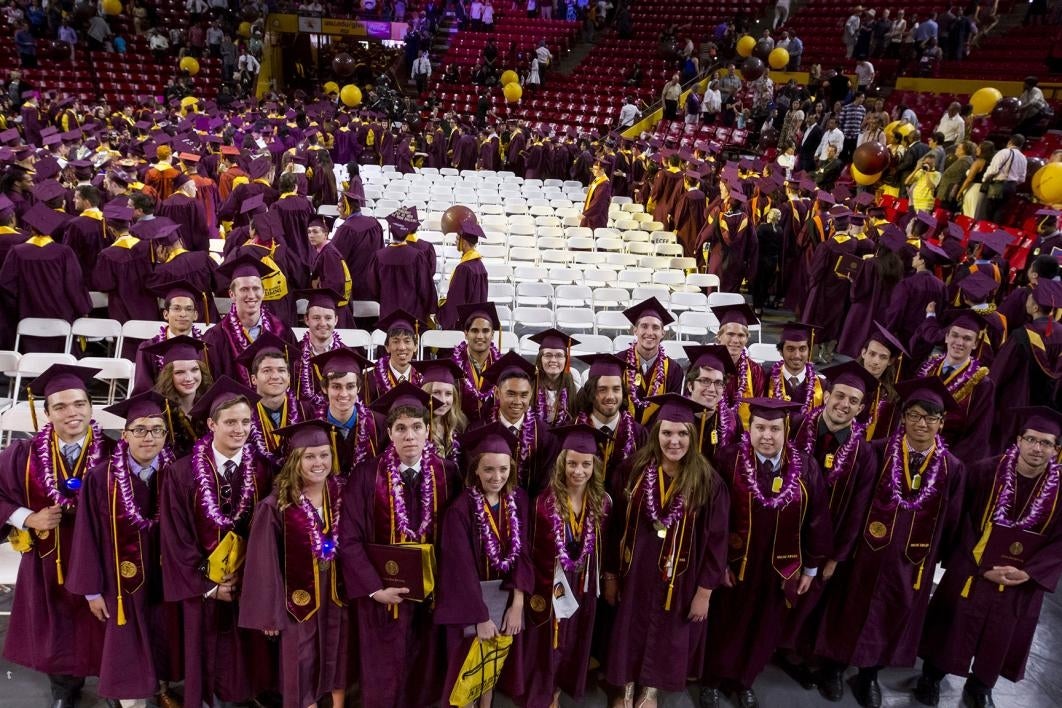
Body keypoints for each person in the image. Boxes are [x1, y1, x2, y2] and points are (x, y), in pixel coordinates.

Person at [814, 378, 966, 707]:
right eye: (914, 415)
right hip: (866, 554)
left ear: (941, 423)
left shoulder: (953, 468)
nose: (921, 424)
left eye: (929, 418)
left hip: (911, 562)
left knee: (893, 617)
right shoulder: (877, 451)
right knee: (849, 610)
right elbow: (856, 503)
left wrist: (936, 562)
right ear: (903, 418)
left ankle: (868, 676)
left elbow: (951, 519)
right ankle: (834, 668)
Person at [915, 407, 1062, 708]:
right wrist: (981, 564)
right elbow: (960, 520)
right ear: (1018, 440)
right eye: (1031, 439)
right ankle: (931, 676)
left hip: (1020, 581)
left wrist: (1030, 573)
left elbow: (1059, 542)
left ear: (1056, 450)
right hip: (973, 570)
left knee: (1002, 632)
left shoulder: (1060, 491)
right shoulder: (984, 471)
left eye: (1046, 443)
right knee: (953, 622)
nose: (1037, 448)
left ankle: (981, 686)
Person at [701, 396, 832, 708]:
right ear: (750, 428)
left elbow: (817, 519)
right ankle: (712, 681)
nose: (767, 436)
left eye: (774, 428)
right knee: (725, 625)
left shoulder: (805, 466)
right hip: (736, 565)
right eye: (760, 427)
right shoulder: (728, 459)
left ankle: (745, 681)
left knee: (764, 628)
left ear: (786, 430)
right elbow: (711, 518)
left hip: (780, 569)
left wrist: (811, 568)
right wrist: (717, 565)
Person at [337, 383, 460, 708]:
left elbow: (458, 540)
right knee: (383, 673)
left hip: (431, 598)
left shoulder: (447, 474)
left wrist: (444, 584)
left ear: (428, 430)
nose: (410, 436)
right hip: (382, 599)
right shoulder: (366, 476)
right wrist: (375, 589)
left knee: (425, 673)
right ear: (389, 432)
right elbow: (348, 539)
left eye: (417, 427)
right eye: (401, 428)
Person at [605, 394, 730, 708]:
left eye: (682, 433)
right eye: (667, 433)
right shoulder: (632, 470)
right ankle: (627, 686)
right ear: (656, 433)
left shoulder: (707, 481)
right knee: (629, 627)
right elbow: (615, 525)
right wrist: (609, 572)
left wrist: (705, 592)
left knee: (666, 631)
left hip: (680, 576)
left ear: (693, 435)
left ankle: (651, 688)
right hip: (634, 571)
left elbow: (717, 541)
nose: (674, 441)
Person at [160, 377, 278, 708]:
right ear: (212, 424)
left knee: (246, 655)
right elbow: (175, 536)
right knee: (203, 651)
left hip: (247, 584)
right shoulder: (181, 474)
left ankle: (243, 697)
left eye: (245, 421)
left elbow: (270, 533)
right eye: (230, 422)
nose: (239, 429)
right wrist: (208, 585)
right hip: (202, 587)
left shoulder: (264, 470)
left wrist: (248, 578)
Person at [0, 365, 111, 708]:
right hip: (48, 558)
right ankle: (64, 689)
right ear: (46, 413)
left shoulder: (115, 452)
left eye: (79, 404)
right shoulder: (23, 454)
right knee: (58, 625)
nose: (71, 413)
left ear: (91, 408)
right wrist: (28, 517)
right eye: (60, 407)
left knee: (106, 624)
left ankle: (115, 686)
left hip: (102, 558)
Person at [66, 391, 181, 708]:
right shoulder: (101, 477)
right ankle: (127, 698)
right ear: (125, 434)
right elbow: (86, 535)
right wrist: (91, 591)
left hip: (163, 576)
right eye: (141, 429)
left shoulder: (177, 473)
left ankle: (162, 688)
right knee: (125, 640)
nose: (149, 437)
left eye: (157, 430)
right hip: (119, 580)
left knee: (163, 633)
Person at [240, 420, 349, 708]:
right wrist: (269, 613)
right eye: (309, 456)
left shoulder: (341, 494)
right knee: (300, 658)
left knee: (337, 651)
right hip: (296, 600)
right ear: (294, 460)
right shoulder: (277, 505)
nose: (318, 463)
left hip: (336, 593)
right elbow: (264, 564)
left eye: (324, 455)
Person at [435, 424, 534, 705]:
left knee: (492, 665)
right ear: (475, 470)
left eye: (503, 469)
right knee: (466, 670)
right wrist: (479, 616)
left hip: (504, 599)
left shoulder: (519, 501)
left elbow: (523, 553)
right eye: (489, 469)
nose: (497, 476)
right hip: (469, 605)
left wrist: (517, 604)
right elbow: (459, 568)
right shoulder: (460, 509)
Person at [518, 424, 612, 708]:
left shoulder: (602, 503)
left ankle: (564, 684)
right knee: (549, 641)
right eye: (572, 463)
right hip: (551, 584)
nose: (578, 471)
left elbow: (602, 548)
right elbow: (531, 549)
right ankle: (545, 690)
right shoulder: (543, 503)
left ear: (594, 466)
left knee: (574, 638)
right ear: (562, 464)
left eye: (585, 464)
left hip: (582, 581)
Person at [0, 203, 92, 352]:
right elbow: (74, 285)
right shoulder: (64, 252)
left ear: (30, 228)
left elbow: (6, 285)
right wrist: (83, 308)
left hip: (27, 313)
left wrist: (17, 306)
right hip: (61, 315)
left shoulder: (17, 252)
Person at [913, 309, 996, 463]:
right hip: (913, 448)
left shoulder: (982, 384)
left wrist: (947, 463)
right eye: (955, 335)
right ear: (946, 337)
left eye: (967, 338)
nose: (959, 342)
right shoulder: (927, 368)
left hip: (948, 457)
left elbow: (977, 435)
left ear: (975, 344)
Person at [203, 254, 297, 386]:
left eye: (256, 288)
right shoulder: (216, 337)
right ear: (232, 295)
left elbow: (293, 376)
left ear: (263, 292)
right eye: (244, 289)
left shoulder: (282, 331)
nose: (251, 295)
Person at [477, 352, 559, 497]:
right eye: (511, 394)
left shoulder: (546, 436)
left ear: (531, 394)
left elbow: (545, 484)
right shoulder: (479, 431)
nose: (517, 401)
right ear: (496, 393)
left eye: (523, 395)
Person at [309, 347, 379, 474]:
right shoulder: (312, 427)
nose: (344, 394)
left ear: (358, 388)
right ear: (325, 388)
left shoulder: (377, 425)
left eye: (350, 386)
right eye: (336, 386)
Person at [143, 335, 213, 457]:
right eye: (179, 372)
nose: (189, 378)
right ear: (169, 376)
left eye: (194, 370)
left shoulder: (211, 406)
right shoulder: (160, 411)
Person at [236, 333, 302, 457]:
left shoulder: (304, 411)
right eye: (267, 370)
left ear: (288, 377)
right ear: (253, 379)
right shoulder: (242, 413)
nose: (275, 376)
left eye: (281, 370)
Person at [620, 298, 684, 425]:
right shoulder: (619, 362)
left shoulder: (674, 370)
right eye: (644, 326)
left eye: (655, 327)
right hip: (622, 435)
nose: (649, 332)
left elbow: (670, 411)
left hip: (657, 438)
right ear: (635, 330)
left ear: (663, 333)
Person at [368, 206, 438, 322]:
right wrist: (430, 309)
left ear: (391, 230)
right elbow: (425, 287)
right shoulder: (417, 256)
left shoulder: (379, 256)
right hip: (413, 313)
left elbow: (373, 287)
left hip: (387, 312)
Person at [712, 304, 768, 427]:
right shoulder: (704, 366)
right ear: (719, 336)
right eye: (730, 334)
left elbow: (759, 410)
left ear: (747, 339)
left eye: (741, 335)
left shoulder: (756, 371)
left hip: (743, 437)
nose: (736, 340)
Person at [683, 345, 740, 466]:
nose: (712, 389)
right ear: (690, 385)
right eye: (705, 381)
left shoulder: (733, 421)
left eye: (719, 383)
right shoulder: (675, 416)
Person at [452, 302, 504, 425]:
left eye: (485, 331)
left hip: (492, 429)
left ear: (492, 334)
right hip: (460, 430)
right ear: (466, 333)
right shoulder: (453, 365)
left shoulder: (502, 366)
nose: (480, 336)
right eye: (474, 331)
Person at [415, 358, 470, 462]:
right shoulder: (416, 427)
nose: (443, 400)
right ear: (426, 393)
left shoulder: (460, 425)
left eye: (448, 394)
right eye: (436, 392)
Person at [437, 221, 489, 330]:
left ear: (464, 242)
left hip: (462, 324)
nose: (455, 241)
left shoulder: (464, 269)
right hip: (474, 321)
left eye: (457, 238)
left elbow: (456, 301)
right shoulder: (480, 266)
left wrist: (444, 318)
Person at [365, 309, 425, 403]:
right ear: (387, 347)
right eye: (396, 341)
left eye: (407, 341)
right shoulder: (371, 378)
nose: (402, 347)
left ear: (415, 347)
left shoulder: (423, 378)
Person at [765, 322, 825, 416]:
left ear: (809, 351)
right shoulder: (766, 380)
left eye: (802, 349)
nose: (797, 355)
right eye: (790, 349)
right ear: (781, 351)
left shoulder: (822, 386)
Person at [528, 329, 579, 427]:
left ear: (566, 360)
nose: (553, 360)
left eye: (559, 356)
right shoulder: (530, 386)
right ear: (540, 359)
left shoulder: (575, 390)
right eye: (548, 355)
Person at [979, 133, 1027, 224]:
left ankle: (985, 233)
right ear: (1021, 145)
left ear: (1010, 142)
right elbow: (1022, 179)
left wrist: (984, 179)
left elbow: (993, 170)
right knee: (1000, 211)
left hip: (998, 186)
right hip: (1012, 187)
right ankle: (995, 234)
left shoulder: (1003, 152)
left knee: (989, 212)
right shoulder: (1023, 158)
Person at [581, 159, 613, 230]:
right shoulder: (597, 179)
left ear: (602, 170)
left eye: (595, 169)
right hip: (591, 214)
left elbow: (598, 201)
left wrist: (586, 214)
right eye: (593, 168)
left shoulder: (604, 184)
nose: (593, 171)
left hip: (597, 217)